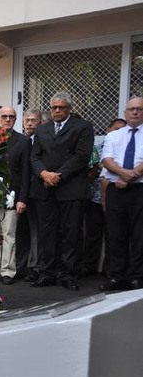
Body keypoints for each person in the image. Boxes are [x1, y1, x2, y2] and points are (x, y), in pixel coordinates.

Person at [29, 92, 94, 291]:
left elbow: (81, 157)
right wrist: (44, 174)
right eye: (54, 107)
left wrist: (57, 176)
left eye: (62, 107)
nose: (57, 111)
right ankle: (47, 272)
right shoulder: (42, 129)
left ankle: (68, 274)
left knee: (71, 233)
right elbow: (34, 156)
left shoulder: (83, 127)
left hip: (71, 188)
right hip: (45, 189)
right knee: (46, 233)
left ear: (70, 109)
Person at [99, 98, 143, 291]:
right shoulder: (114, 136)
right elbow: (107, 160)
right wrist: (126, 174)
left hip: (140, 190)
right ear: (125, 113)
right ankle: (117, 276)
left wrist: (130, 177)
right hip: (116, 189)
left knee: (139, 235)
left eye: (139, 109)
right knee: (116, 234)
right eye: (131, 109)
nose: (135, 112)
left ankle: (136, 277)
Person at [0, 106, 30, 285]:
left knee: (9, 235)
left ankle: (8, 271)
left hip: (13, 194)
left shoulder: (23, 141)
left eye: (11, 116)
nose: (8, 119)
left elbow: (26, 172)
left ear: (16, 119)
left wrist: (22, 198)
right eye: (4, 116)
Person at [84, 118, 126, 277]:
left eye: (123, 129)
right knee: (92, 234)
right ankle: (89, 266)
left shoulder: (124, 151)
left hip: (115, 198)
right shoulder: (96, 149)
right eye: (116, 129)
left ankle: (110, 268)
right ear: (108, 130)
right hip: (94, 198)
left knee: (113, 234)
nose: (119, 133)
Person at [19, 108, 43, 281]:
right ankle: (20, 265)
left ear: (41, 122)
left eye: (33, 120)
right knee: (21, 230)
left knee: (36, 230)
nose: (29, 123)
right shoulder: (20, 141)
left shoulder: (44, 140)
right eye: (27, 120)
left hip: (38, 191)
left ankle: (35, 266)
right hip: (20, 192)